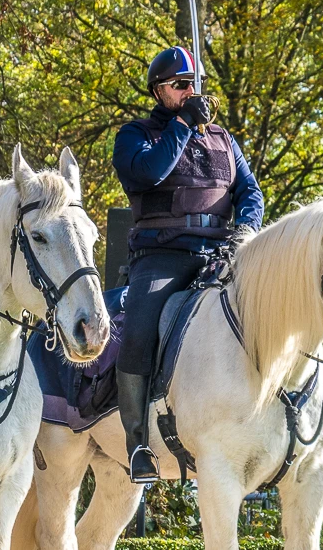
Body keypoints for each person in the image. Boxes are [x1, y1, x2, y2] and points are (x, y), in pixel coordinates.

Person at [111, 46, 264, 482]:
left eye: (193, 83)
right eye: (180, 86)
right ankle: (138, 440)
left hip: (222, 250)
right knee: (139, 326)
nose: (190, 91)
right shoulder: (136, 136)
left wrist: (247, 229)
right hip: (163, 254)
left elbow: (249, 191)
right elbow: (149, 174)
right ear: (159, 91)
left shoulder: (222, 138)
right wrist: (181, 125)